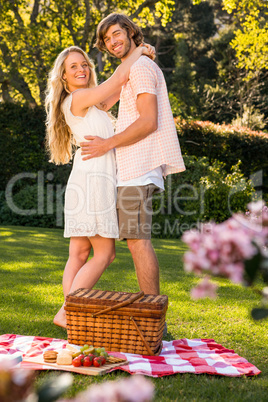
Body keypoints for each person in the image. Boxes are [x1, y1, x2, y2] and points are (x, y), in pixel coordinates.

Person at [45, 43, 155, 328]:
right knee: (105, 253)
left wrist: (137, 65)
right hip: (94, 181)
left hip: (86, 178)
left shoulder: (90, 103)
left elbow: (119, 88)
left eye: (84, 64)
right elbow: (118, 78)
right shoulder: (78, 97)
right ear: (64, 77)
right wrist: (138, 52)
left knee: (79, 254)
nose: (81, 69)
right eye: (74, 67)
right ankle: (69, 312)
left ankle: (70, 315)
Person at [80, 13, 186, 298]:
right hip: (131, 169)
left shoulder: (140, 68)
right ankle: (155, 315)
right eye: (106, 39)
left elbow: (148, 120)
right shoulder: (133, 69)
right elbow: (103, 101)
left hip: (139, 167)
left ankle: (154, 315)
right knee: (135, 241)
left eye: (116, 34)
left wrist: (107, 144)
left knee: (138, 242)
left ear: (129, 32)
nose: (112, 42)